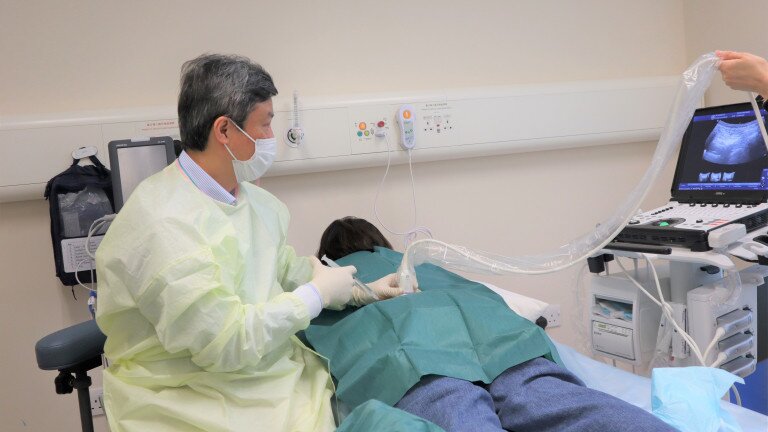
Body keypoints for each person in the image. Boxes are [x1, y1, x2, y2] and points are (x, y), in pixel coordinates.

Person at [94, 54, 398, 432]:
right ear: (224, 130)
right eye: (265, 124)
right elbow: (224, 343)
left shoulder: (251, 201)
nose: (271, 138)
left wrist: (357, 290)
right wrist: (315, 296)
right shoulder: (162, 226)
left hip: (268, 375)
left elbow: (280, 267)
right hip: (189, 396)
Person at [306, 217, 678, 432]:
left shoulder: (321, 289)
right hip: (507, 351)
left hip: (417, 369)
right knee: (577, 408)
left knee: (457, 412)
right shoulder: (424, 266)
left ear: (327, 257)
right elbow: (488, 301)